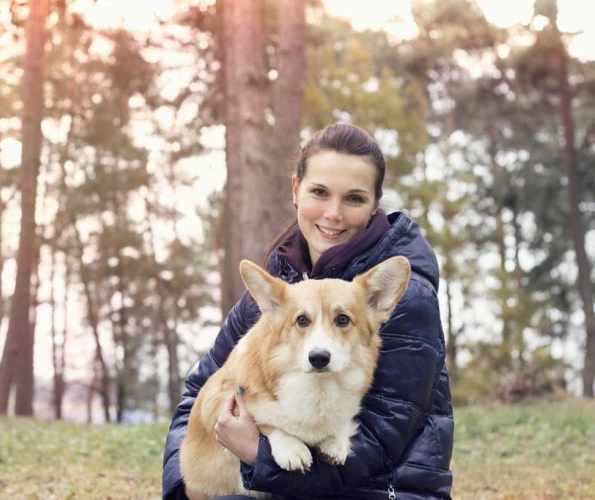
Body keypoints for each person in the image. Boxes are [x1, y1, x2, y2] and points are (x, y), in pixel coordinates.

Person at [162, 123, 453, 499]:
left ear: (373, 206)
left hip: (381, 491)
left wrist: (258, 453)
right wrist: (188, 486)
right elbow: (196, 395)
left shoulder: (403, 299)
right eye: (319, 192)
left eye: (353, 199)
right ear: (296, 190)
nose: (333, 213)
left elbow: (376, 446)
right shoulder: (277, 288)